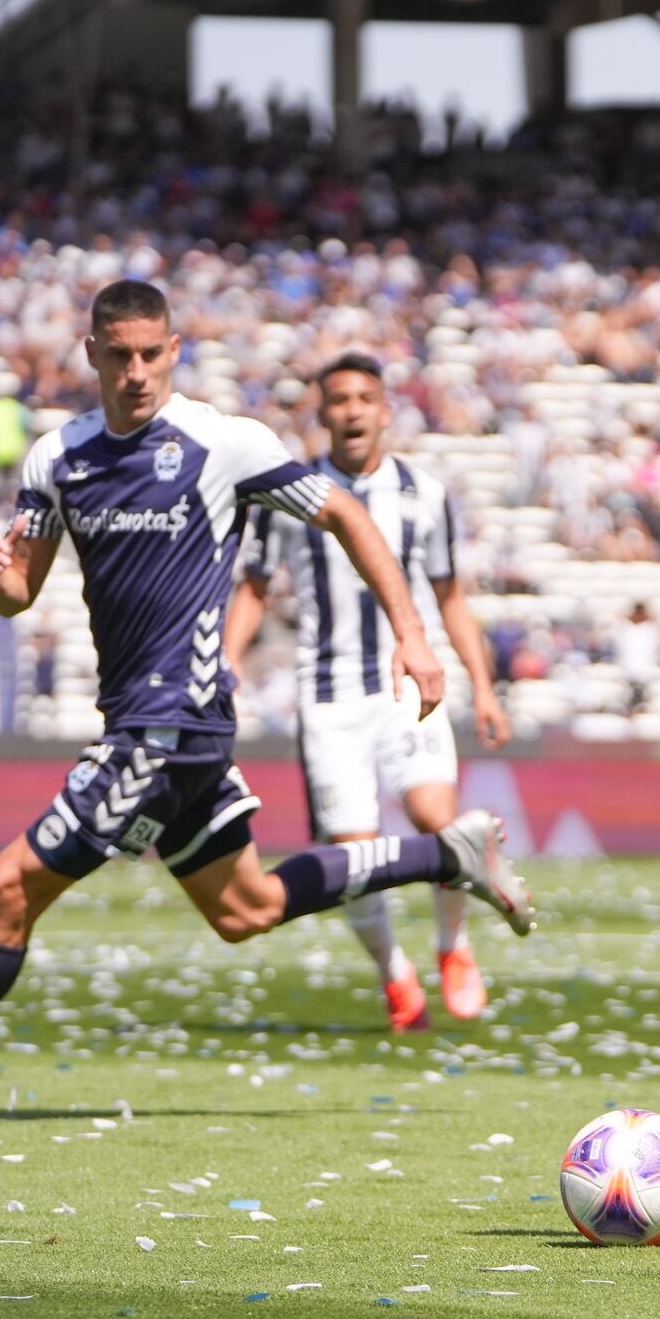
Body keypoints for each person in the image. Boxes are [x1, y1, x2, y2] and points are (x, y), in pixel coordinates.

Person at [0, 282, 535, 1119]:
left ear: (175, 350)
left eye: (152, 353)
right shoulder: (57, 458)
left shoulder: (225, 443)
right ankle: (447, 855)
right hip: (156, 731)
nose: (137, 372)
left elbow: (348, 514)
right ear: (92, 355)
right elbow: (20, 589)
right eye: (120, 356)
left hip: (167, 727)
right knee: (248, 908)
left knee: (8, 887)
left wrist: (414, 633)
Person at [227, 351, 516, 1033]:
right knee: (353, 853)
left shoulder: (424, 492)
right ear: (321, 414)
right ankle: (396, 976)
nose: (352, 410)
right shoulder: (288, 493)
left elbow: (450, 597)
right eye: (339, 400)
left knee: (438, 819)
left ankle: (453, 946)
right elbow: (256, 586)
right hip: (327, 695)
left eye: (365, 397)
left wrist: (484, 686)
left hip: (403, 682)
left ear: (384, 410)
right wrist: (226, 660)